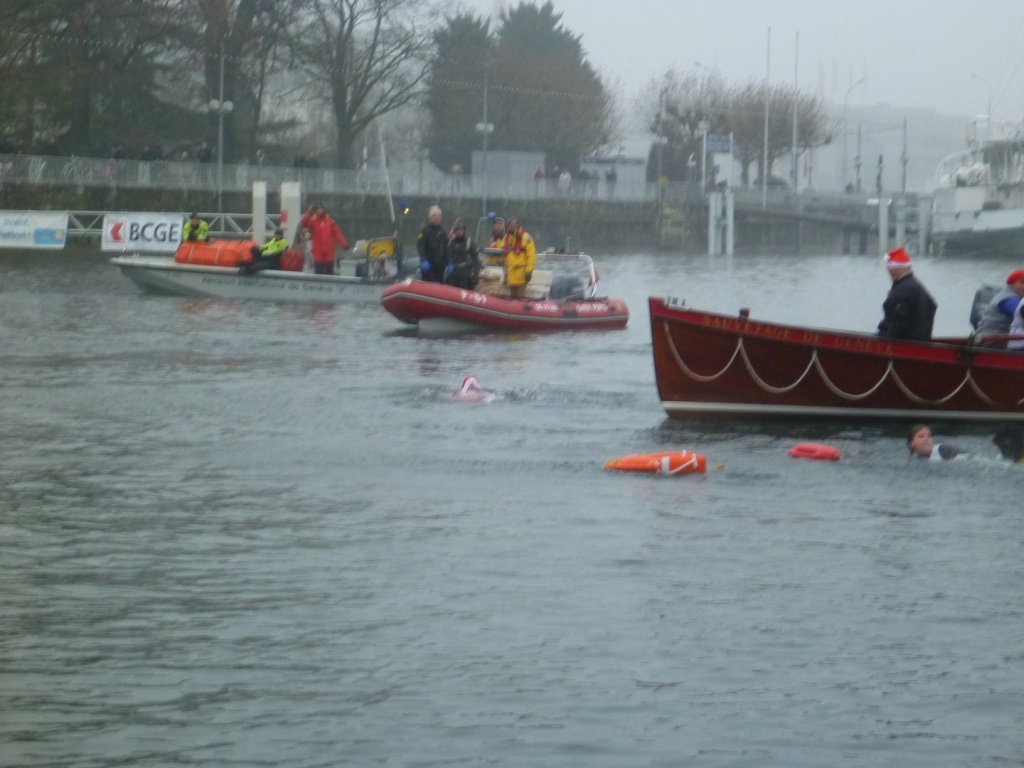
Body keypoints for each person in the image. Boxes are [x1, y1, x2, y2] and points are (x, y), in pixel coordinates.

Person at [877, 247, 937, 341]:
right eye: (889, 267)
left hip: (906, 344)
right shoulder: (913, 285)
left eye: (893, 267)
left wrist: (885, 343)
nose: (889, 270)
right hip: (920, 342)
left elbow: (897, 323)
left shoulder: (903, 289)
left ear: (903, 268)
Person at [976, 268, 1024, 346]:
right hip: (991, 339)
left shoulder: (1015, 296)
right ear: (1012, 284)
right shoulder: (1008, 298)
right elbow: (1019, 312)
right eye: (1022, 282)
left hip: (1003, 337)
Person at [300, 203, 348, 275]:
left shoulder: (330, 222)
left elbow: (338, 233)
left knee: (329, 273)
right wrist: (309, 211)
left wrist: (344, 244)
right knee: (318, 274)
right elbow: (304, 223)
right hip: (317, 252)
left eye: (321, 209)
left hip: (329, 252)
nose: (320, 210)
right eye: (318, 209)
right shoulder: (313, 221)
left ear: (324, 210)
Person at [502, 217, 537, 299]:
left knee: (520, 299)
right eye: (509, 225)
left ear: (517, 225)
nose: (509, 227)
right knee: (512, 300)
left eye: (511, 225)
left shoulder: (526, 237)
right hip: (511, 277)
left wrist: (529, 271)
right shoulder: (507, 238)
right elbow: (503, 252)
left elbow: (531, 255)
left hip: (521, 277)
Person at [416, 205, 448, 283]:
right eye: (435, 215)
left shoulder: (443, 232)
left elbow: (446, 248)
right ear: (430, 217)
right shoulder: (424, 230)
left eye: (439, 215)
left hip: (440, 265)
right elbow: (420, 246)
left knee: (440, 283)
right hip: (429, 263)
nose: (437, 217)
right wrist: (423, 260)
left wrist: (448, 262)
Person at [446, 219, 480, 290]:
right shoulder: (451, 242)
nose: (460, 231)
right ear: (455, 231)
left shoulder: (469, 242)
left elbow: (476, 260)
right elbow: (447, 255)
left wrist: (475, 276)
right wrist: (449, 265)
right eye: (458, 230)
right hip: (453, 273)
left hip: (465, 274)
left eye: (461, 229)